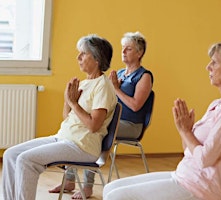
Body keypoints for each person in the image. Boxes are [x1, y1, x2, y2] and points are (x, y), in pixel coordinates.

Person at [102, 40, 221, 200]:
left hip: (202, 188)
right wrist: (187, 131)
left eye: (214, 62)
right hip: (185, 175)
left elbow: (205, 159)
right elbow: (188, 151)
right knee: (110, 188)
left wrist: (185, 131)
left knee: (116, 197)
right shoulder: (218, 105)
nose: (208, 67)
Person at [2, 34, 117, 200]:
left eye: (83, 53)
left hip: (83, 146)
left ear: (96, 58)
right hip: (63, 138)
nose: (78, 57)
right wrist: (68, 101)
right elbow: (67, 119)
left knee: (26, 160)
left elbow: (93, 126)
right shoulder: (85, 83)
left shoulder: (103, 86)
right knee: (11, 154)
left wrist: (74, 103)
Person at [49, 31, 153, 199]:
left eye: (129, 49)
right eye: (122, 48)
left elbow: (135, 106)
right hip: (112, 120)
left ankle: (87, 187)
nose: (123, 52)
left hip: (130, 125)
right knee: (81, 128)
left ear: (140, 53)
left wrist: (117, 89)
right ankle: (69, 180)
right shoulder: (118, 74)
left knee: (93, 132)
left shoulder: (144, 76)